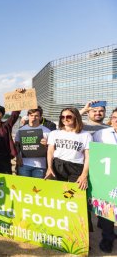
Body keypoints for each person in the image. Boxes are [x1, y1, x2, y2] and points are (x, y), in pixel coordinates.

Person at [45, 107, 91, 190]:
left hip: (76, 167)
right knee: (57, 192)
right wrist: (49, 167)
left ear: (76, 117)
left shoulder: (86, 135)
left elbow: (88, 156)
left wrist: (84, 175)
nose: (65, 119)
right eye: (62, 117)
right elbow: (50, 152)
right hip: (58, 165)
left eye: (68, 117)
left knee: (74, 194)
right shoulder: (54, 133)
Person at [92, 108, 117, 253]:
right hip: (107, 179)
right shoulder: (101, 134)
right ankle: (107, 238)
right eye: (114, 117)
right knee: (107, 210)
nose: (116, 120)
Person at [15, 107, 51, 178]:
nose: (33, 118)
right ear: (28, 116)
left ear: (40, 117)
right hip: (24, 164)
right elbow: (16, 145)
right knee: (24, 187)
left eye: (36, 116)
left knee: (38, 188)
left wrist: (47, 144)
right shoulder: (21, 130)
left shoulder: (47, 131)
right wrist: (18, 157)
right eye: (31, 115)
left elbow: (52, 149)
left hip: (40, 166)